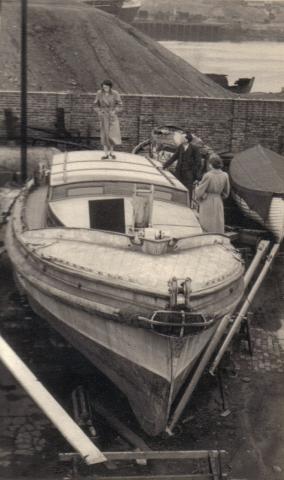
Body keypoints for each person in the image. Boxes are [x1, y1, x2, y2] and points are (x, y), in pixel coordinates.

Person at [162, 131, 203, 204]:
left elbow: (198, 163)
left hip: (189, 174)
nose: (180, 138)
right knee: (178, 188)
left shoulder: (194, 149)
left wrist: (197, 177)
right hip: (179, 172)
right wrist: (164, 166)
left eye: (182, 137)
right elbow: (174, 157)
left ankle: (187, 205)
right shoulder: (180, 147)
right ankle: (177, 204)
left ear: (187, 140)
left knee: (188, 191)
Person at [195, 154, 230, 234]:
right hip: (218, 201)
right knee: (217, 223)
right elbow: (226, 193)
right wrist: (218, 196)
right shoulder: (225, 175)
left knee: (206, 223)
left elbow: (199, 192)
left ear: (210, 164)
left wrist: (198, 188)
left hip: (207, 201)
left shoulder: (208, 175)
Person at [94, 80, 123, 159]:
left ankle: (111, 153)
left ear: (110, 87)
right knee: (104, 135)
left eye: (106, 87)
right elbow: (95, 105)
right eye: (103, 87)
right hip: (104, 117)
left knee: (112, 135)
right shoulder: (99, 93)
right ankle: (105, 154)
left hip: (112, 116)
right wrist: (99, 112)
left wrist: (114, 111)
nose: (105, 88)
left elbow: (120, 104)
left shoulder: (115, 93)